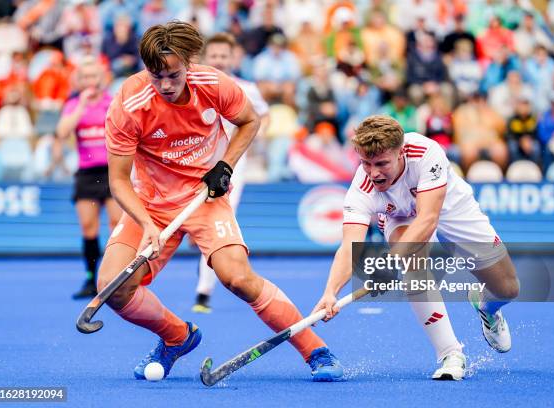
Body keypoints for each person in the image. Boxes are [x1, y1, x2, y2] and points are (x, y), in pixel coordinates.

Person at [98, 22, 342, 381]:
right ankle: (177, 337)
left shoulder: (213, 84)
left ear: (189, 63)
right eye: (156, 76)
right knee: (114, 289)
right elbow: (118, 180)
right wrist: (148, 225)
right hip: (150, 205)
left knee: (238, 277)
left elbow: (249, 121)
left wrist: (225, 165)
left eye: (173, 75)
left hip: (204, 198)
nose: (165, 85)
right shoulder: (129, 104)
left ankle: (316, 350)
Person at [312, 115, 520, 380]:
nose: (373, 173)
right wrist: (330, 292)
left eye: (381, 163)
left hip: (451, 209)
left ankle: (486, 306)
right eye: (366, 163)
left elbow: (428, 219)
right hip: (400, 217)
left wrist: (386, 264)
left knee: (508, 288)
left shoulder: (426, 152)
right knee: (412, 257)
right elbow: (350, 244)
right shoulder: (361, 189)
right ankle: (450, 353)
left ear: (401, 153)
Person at [191, 32, 270, 313]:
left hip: (232, 168)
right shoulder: (194, 86)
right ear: (206, 58)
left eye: (224, 56)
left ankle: (203, 291)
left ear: (233, 58)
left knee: (216, 223)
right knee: (196, 224)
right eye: (214, 56)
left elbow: (262, 117)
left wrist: (255, 140)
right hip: (194, 164)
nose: (220, 61)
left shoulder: (246, 88)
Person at [55, 56, 122, 299]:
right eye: (85, 77)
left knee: (117, 226)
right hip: (86, 174)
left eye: (94, 76)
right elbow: (62, 132)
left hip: (111, 172)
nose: (90, 81)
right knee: (88, 227)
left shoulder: (111, 102)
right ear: (79, 81)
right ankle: (91, 279)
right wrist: (81, 105)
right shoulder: (74, 104)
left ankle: (114, 277)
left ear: (102, 79)